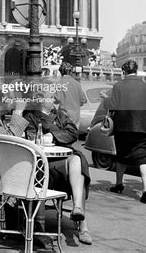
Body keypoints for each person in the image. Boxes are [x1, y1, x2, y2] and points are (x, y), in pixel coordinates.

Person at [24, 90, 92, 245]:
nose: (55, 100)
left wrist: (53, 134)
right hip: (45, 164)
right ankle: (82, 225)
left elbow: (73, 133)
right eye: (51, 97)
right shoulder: (31, 117)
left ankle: (78, 211)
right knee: (78, 168)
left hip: (64, 160)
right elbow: (33, 140)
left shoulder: (60, 114)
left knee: (78, 161)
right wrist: (57, 133)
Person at [104, 60, 146, 203]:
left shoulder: (118, 85)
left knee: (121, 155)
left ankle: (119, 184)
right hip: (143, 127)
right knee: (143, 157)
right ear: (136, 71)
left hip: (123, 126)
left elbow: (113, 107)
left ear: (124, 72)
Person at [54, 62, 87, 129]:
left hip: (64, 116)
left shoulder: (59, 84)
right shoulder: (77, 84)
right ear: (71, 72)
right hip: (75, 117)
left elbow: (56, 100)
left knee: (63, 136)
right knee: (73, 135)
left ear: (60, 72)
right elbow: (83, 100)